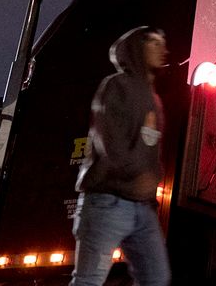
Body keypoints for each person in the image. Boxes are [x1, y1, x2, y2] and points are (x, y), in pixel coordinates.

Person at [70, 27, 171, 286]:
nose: (163, 49)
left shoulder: (155, 100)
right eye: (154, 42)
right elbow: (109, 141)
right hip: (108, 201)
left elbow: (151, 151)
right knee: (88, 281)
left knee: (157, 278)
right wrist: (135, 174)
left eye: (163, 43)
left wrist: (151, 183)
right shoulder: (116, 85)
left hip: (142, 207)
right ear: (138, 47)